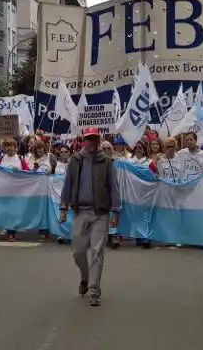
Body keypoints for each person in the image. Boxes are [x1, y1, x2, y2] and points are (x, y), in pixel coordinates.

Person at [58, 127, 120, 307]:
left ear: (99, 140)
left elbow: (113, 187)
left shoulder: (107, 162)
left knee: (97, 250)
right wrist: (63, 208)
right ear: (83, 140)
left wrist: (116, 211)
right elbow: (67, 185)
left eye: (94, 139)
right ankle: (85, 277)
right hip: (80, 212)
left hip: (100, 213)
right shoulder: (75, 161)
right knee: (78, 252)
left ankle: (94, 290)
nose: (91, 142)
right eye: (88, 139)